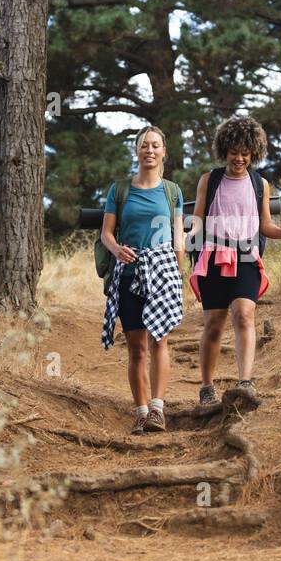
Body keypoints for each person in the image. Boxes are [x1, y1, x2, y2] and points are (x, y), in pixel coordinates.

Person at [188, 115, 281, 406]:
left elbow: (265, 224)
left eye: (245, 154)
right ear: (224, 151)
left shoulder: (259, 184)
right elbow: (197, 219)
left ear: (254, 154)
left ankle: (245, 382)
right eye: (234, 152)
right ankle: (206, 387)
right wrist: (185, 235)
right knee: (214, 323)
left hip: (247, 257)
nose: (239, 158)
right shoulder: (209, 180)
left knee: (244, 314)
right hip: (213, 256)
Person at [99, 126, 186, 434]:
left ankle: (158, 410)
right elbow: (106, 233)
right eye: (144, 145)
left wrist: (180, 274)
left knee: (160, 339)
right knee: (136, 347)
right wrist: (116, 249)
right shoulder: (120, 190)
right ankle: (140, 411)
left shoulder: (172, 191)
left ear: (163, 152)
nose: (150, 150)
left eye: (155, 146)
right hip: (129, 274)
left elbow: (178, 238)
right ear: (136, 151)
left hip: (163, 273)